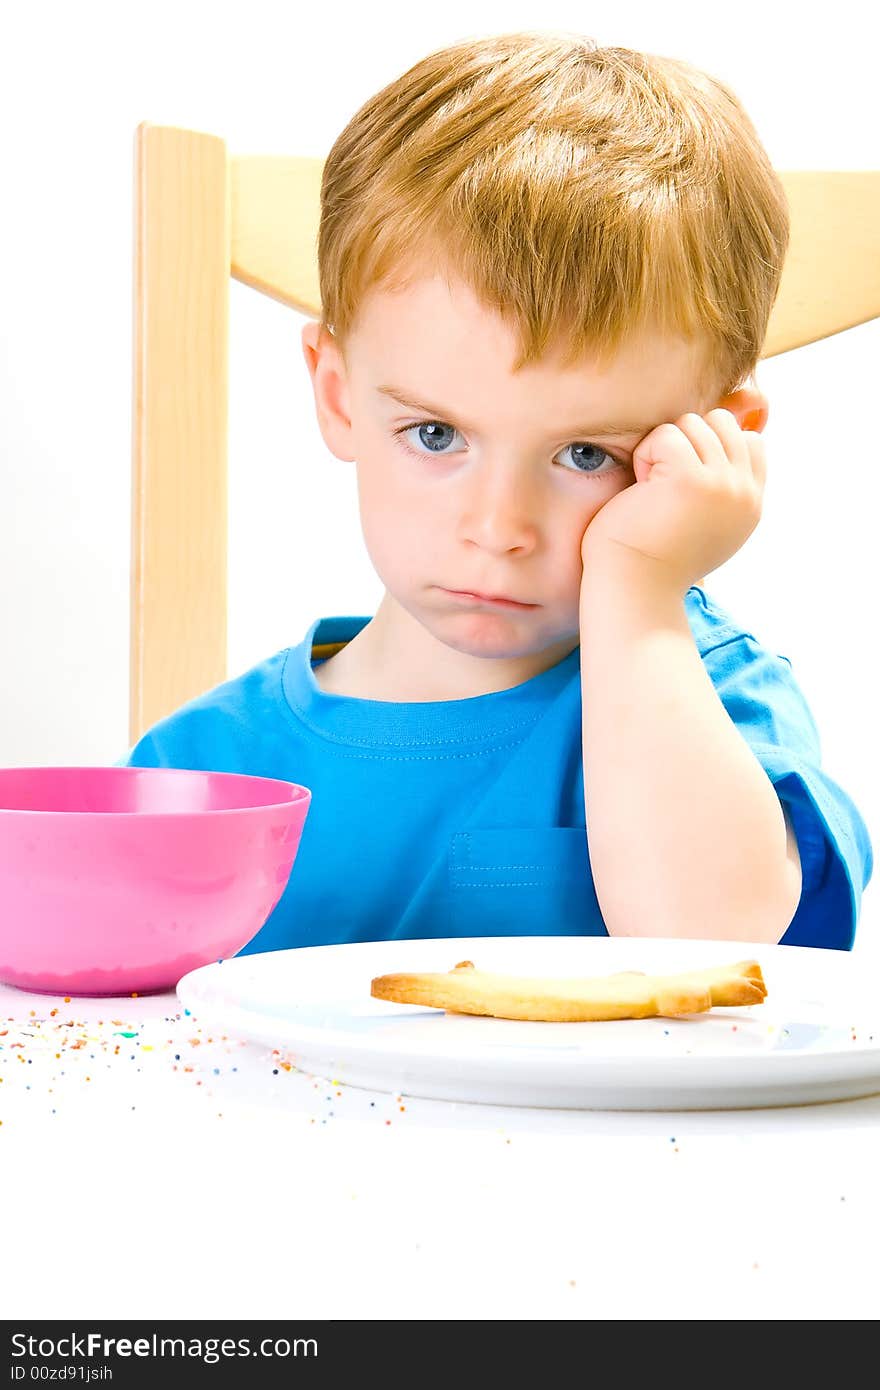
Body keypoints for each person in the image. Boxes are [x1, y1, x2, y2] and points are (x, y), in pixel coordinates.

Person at [120, 30, 873, 954]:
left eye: (588, 455)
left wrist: (637, 593)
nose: (497, 528)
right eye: (436, 435)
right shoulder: (201, 773)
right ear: (338, 395)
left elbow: (714, 947)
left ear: (716, 447)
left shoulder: (713, 701)